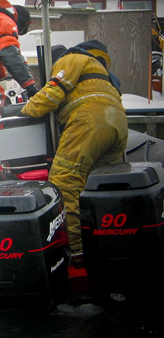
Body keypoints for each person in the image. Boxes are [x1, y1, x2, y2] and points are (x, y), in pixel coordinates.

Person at [20, 40, 128, 257]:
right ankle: (111, 243)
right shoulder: (103, 73)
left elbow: (50, 96)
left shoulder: (71, 59)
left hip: (91, 122)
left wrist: (25, 110)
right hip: (118, 123)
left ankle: (77, 250)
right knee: (101, 185)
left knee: (65, 179)